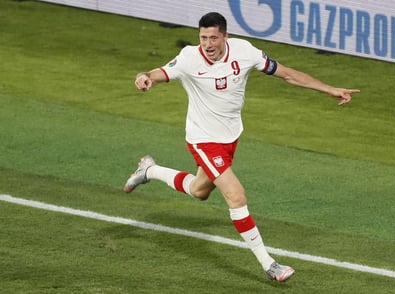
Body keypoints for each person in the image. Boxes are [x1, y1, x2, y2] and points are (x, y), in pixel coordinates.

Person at [124, 12, 360, 283]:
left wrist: (329, 89)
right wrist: (145, 77)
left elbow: (287, 74)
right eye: (203, 37)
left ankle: (149, 170)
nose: (208, 44)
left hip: (230, 138)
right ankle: (269, 264)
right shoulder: (189, 57)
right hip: (203, 139)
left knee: (199, 190)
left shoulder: (244, 51)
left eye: (213, 37)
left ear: (225, 36)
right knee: (236, 196)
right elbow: (160, 73)